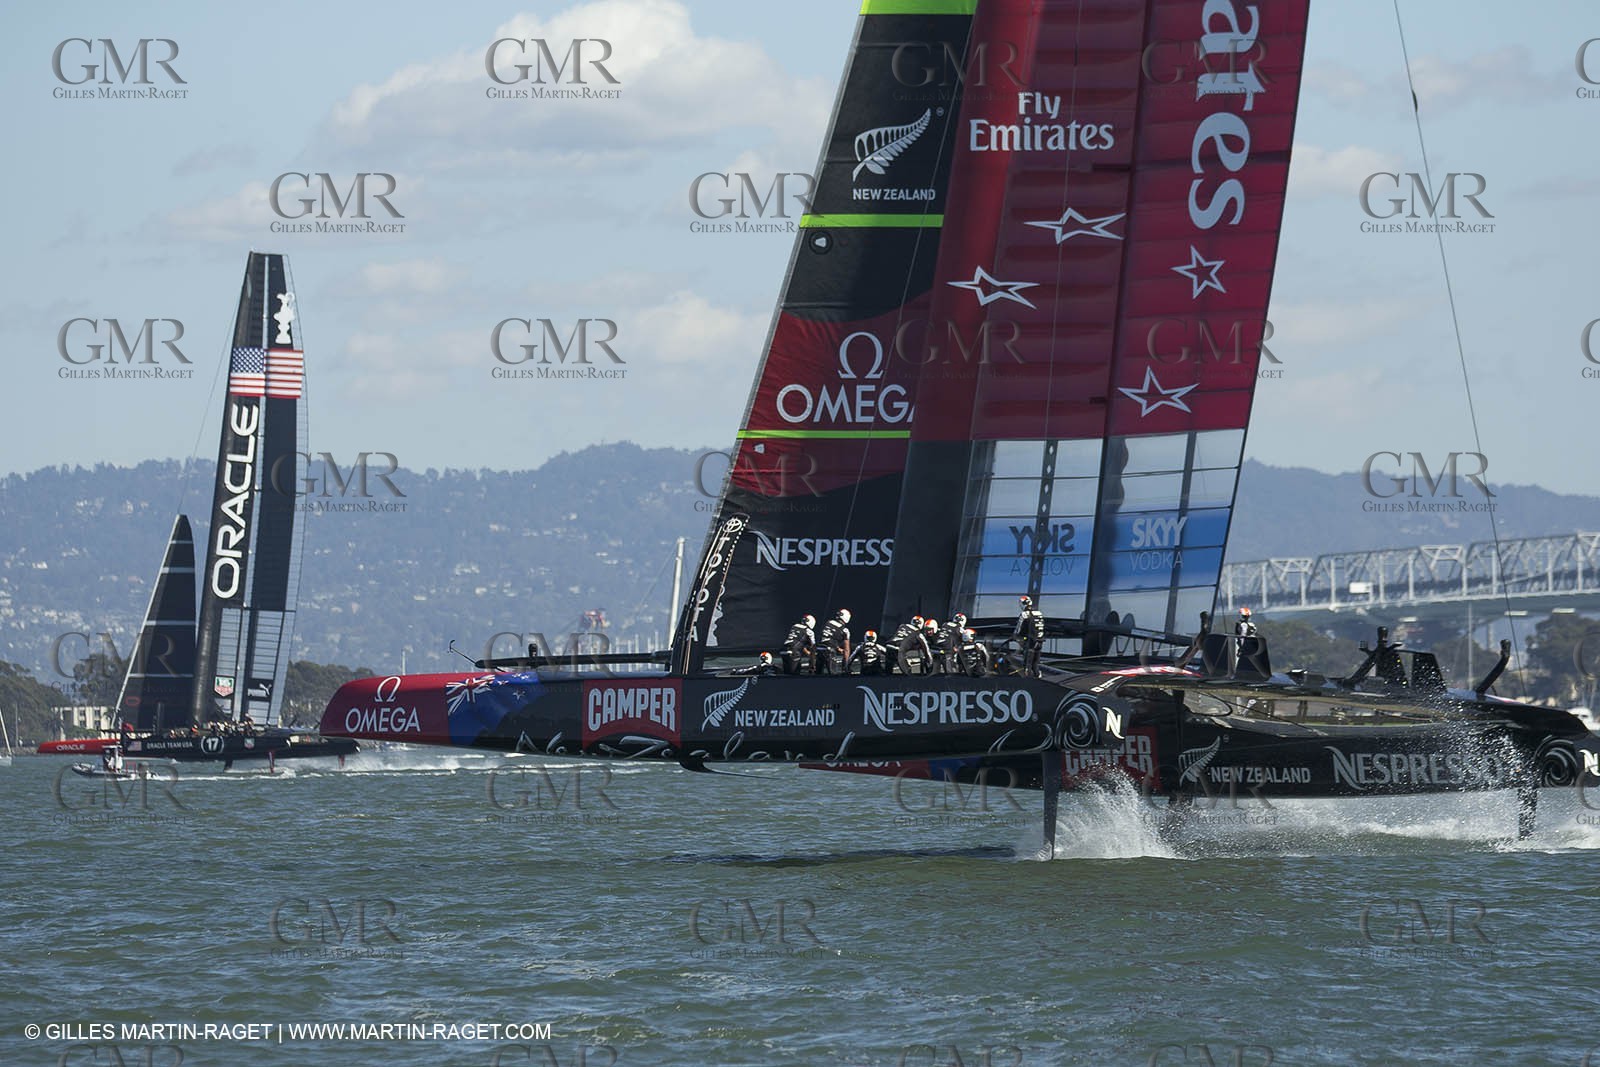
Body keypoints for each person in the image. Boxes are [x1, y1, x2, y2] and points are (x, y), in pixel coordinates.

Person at [1014, 595, 1045, 677]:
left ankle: (1027, 680)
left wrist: (1015, 637)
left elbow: (1018, 629)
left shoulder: (1024, 614)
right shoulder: (1039, 613)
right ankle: (1038, 677)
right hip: (1040, 641)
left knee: (1027, 665)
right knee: (1035, 664)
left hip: (1030, 642)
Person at [817, 608, 852, 675]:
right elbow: (847, 650)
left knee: (817, 675)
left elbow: (828, 638)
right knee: (833, 676)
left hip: (819, 649)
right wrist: (845, 666)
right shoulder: (845, 630)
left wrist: (837, 648)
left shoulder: (828, 622)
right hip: (829, 652)